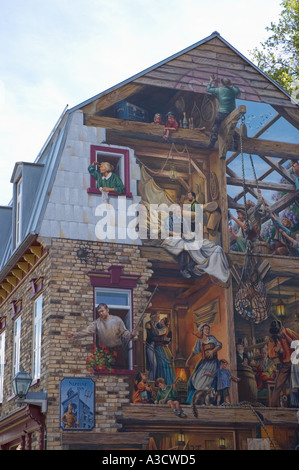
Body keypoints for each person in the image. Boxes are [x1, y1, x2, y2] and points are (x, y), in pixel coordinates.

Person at [162, 205, 230, 284]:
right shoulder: (169, 219)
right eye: (177, 211)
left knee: (196, 245)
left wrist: (189, 235)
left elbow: (187, 231)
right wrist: (179, 234)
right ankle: (183, 269)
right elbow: (167, 232)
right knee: (183, 247)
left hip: (184, 237)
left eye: (180, 211)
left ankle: (193, 266)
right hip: (173, 238)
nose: (179, 213)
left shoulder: (183, 220)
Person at [67, 303, 137, 369]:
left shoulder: (117, 320)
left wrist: (131, 335)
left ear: (107, 310)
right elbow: (87, 331)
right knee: (104, 372)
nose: (101, 313)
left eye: (102, 311)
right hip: (104, 352)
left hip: (117, 351)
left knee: (121, 371)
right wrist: (75, 334)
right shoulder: (97, 323)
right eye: (99, 312)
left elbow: (124, 332)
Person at [185, 323, 222, 404]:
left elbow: (219, 345)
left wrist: (212, 351)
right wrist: (188, 360)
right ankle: (196, 399)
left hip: (213, 363)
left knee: (210, 380)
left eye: (208, 329)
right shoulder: (199, 341)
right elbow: (194, 352)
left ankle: (209, 400)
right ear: (202, 330)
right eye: (206, 329)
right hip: (205, 363)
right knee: (196, 379)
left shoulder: (212, 338)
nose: (207, 331)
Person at [268, 320, 299, 407]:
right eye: (276, 333)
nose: (278, 335)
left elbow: (297, 343)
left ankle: (295, 407)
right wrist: (276, 349)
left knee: (295, 387)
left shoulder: (288, 332)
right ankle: (271, 408)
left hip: (295, 364)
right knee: (278, 386)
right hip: (285, 365)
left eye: (279, 332)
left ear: (282, 328)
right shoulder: (273, 339)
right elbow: (271, 354)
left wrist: (285, 335)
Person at [206, 76, 240, 149]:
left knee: (216, 124)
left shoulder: (219, 90)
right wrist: (232, 84)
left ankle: (213, 138)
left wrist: (211, 81)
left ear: (222, 84)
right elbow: (238, 90)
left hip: (221, 112)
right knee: (231, 127)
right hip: (231, 113)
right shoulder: (233, 91)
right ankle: (235, 141)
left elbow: (208, 89)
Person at [145, 311, 167, 381]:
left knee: (160, 364)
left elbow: (163, 332)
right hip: (150, 345)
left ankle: (155, 381)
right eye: (157, 316)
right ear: (153, 317)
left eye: (159, 316)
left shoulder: (159, 325)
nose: (159, 318)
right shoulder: (148, 324)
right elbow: (151, 337)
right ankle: (151, 381)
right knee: (153, 364)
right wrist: (162, 338)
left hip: (158, 346)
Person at [155, 317, 176, 385]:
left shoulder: (164, 329)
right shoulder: (161, 328)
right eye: (161, 319)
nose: (161, 320)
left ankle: (166, 382)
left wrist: (165, 339)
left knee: (163, 364)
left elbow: (166, 339)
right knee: (161, 364)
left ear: (164, 322)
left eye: (163, 320)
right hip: (160, 347)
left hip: (161, 348)